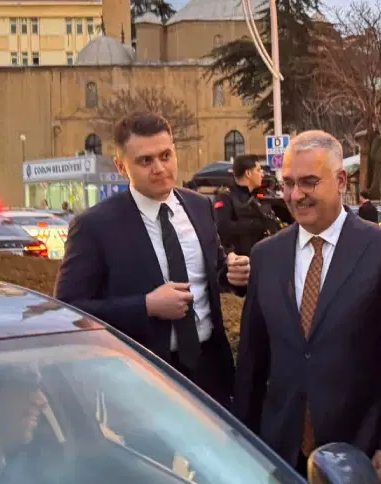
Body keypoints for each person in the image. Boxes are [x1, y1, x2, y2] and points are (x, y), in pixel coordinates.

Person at [234, 131, 381, 484]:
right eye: (288, 183)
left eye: (309, 182)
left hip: (361, 459)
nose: (296, 194)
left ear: (341, 182)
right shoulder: (267, 255)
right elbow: (255, 360)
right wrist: (242, 444)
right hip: (283, 457)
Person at [55, 112, 250, 408]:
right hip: (139, 377)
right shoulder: (95, 226)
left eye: (166, 155)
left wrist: (233, 275)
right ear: (122, 167)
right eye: (145, 161)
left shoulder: (199, 207)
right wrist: (146, 306)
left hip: (210, 369)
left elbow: (213, 271)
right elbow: (69, 308)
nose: (159, 168)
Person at [215, 154, 281, 257]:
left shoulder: (260, 196)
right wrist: (257, 224)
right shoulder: (226, 196)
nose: (262, 174)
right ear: (248, 173)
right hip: (239, 261)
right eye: (258, 170)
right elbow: (223, 227)